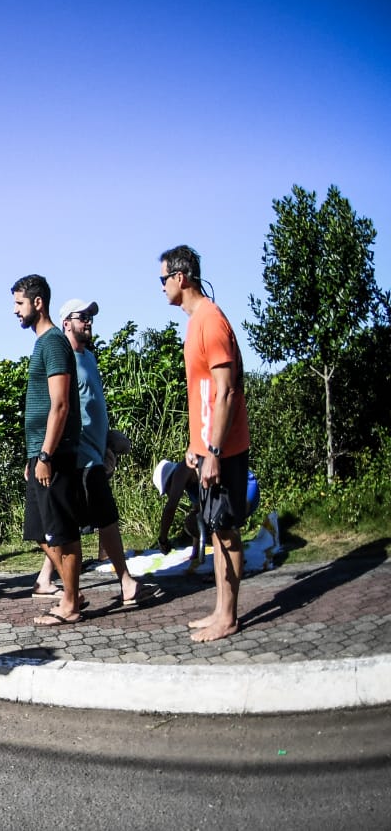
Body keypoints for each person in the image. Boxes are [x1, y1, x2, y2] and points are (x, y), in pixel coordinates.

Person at [32, 299, 157, 606]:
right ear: (66, 323)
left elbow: (93, 405)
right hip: (79, 455)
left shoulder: (88, 357)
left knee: (75, 523)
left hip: (94, 452)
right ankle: (124, 582)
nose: (88, 321)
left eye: (90, 317)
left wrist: (108, 438)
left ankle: (46, 579)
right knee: (103, 518)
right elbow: (59, 406)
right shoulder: (65, 359)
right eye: (82, 317)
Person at [160, 244, 252, 642]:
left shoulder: (210, 320)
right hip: (207, 449)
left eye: (162, 279)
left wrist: (213, 451)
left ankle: (228, 618)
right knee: (214, 528)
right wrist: (195, 446)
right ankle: (219, 611)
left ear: (181, 277)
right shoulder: (195, 321)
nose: (161, 287)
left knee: (226, 530)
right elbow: (202, 393)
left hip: (225, 450)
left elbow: (227, 391)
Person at [13, 276, 86, 626]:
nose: (16, 311)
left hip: (54, 454)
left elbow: (60, 405)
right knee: (40, 530)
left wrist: (45, 456)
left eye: (20, 304)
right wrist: (33, 455)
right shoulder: (43, 343)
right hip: (39, 452)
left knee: (62, 530)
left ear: (37, 303)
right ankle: (72, 591)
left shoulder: (54, 342)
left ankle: (70, 603)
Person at [153, 458, 261, 573]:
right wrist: (195, 553)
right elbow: (198, 518)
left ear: (170, 479)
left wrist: (162, 539)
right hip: (235, 494)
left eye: (167, 490)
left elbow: (170, 508)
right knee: (192, 522)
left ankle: (231, 564)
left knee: (221, 523)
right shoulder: (191, 486)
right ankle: (232, 559)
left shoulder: (183, 469)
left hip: (244, 488)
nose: (169, 493)